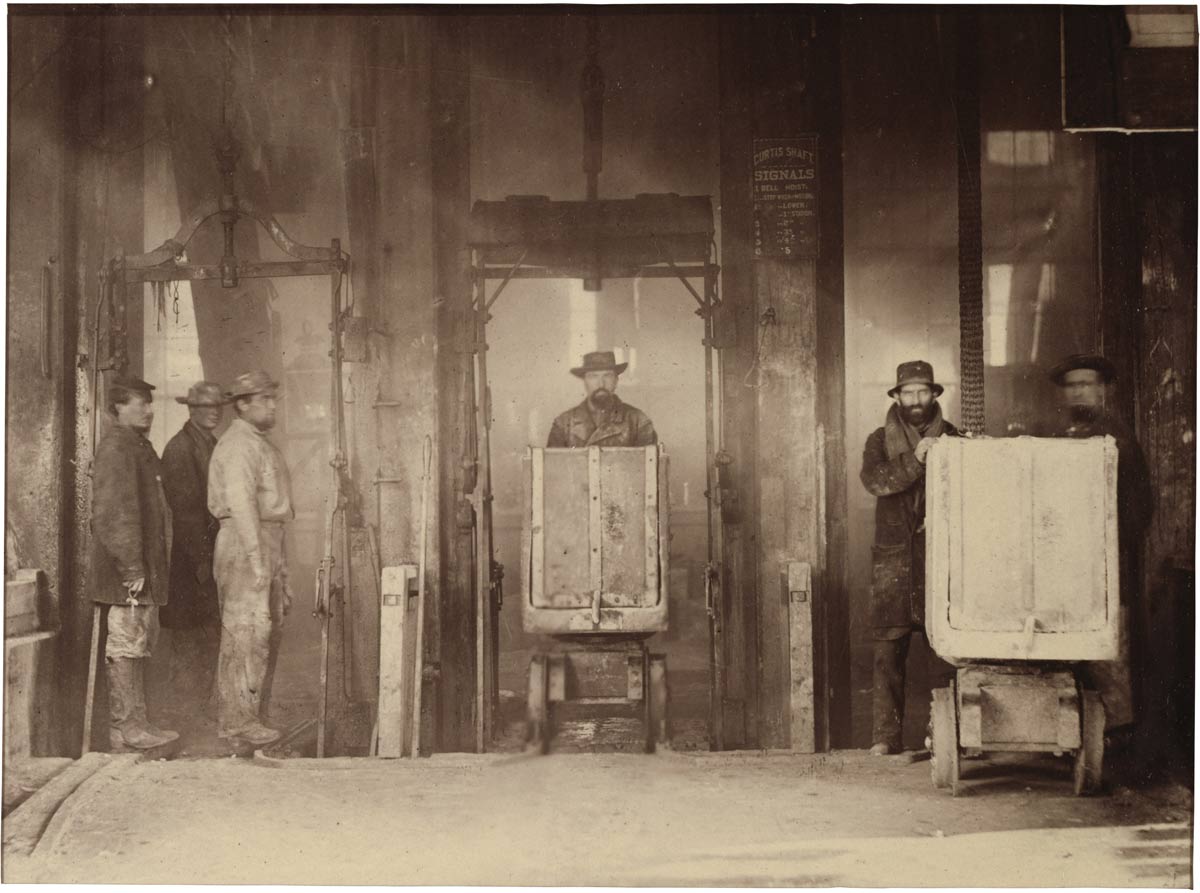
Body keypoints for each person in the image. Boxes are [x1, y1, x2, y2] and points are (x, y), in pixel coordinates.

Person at [1043, 354, 1153, 738]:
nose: (1079, 391)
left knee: (1108, 649)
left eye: (1087, 384)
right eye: (1073, 385)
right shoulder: (1058, 437)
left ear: (1101, 389)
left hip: (1106, 563)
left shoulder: (1118, 438)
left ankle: (1120, 739)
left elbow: (1140, 505)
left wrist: (1111, 547)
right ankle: (1077, 736)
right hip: (1065, 562)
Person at [860, 360, 959, 756]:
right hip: (894, 560)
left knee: (946, 650)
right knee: (888, 650)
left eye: (922, 392)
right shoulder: (878, 440)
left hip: (941, 556)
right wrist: (916, 459)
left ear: (934, 395)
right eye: (908, 393)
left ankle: (947, 737)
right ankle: (885, 737)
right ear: (897, 397)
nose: (915, 400)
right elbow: (875, 481)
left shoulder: (952, 437)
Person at [91, 376, 179, 751]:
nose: (148, 409)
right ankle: (125, 729)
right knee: (127, 645)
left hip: (142, 572)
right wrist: (132, 568)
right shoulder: (116, 448)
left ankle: (137, 724)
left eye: (148, 402)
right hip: (127, 575)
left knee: (139, 643)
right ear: (116, 410)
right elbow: (114, 514)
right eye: (138, 403)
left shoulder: (137, 446)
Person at [207, 371, 294, 747]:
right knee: (245, 633)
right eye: (265, 399)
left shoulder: (258, 443)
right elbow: (241, 505)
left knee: (262, 632)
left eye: (273, 398)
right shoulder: (239, 445)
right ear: (242, 405)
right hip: (246, 543)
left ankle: (250, 715)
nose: (272, 405)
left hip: (264, 539)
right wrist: (259, 561)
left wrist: (280, 564)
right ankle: (237, 722)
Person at [160, 381, 225, 717]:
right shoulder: (180, 450)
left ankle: (202, 708)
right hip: (190, 562)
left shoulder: (210, 444)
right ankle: (184, 714)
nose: (213, 412)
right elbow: (186, 515)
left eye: (217, 407)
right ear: (192, 410)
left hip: (207, 556)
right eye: (206, 407)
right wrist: (203, 562)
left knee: (209, 634)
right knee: (187, 638)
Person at [546, 350, 657, 448]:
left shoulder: (638, 421)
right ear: (584, 381)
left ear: (616, 380)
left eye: (607, 376)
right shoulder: (563, 423)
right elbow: (554, 467)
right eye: (593, 376)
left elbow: (649, 466)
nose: (601, 384)